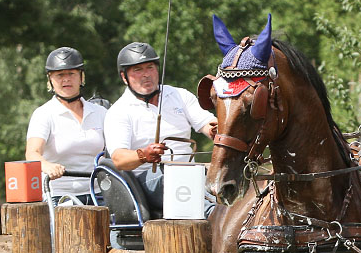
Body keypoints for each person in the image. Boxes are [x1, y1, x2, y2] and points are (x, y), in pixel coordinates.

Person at [104, 41, 217, 218]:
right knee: (178, 181)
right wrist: (143, 155)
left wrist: (217, 130)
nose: (146, 75)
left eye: (150, 67)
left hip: (191, 172)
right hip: (149, 179)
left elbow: (207, 123)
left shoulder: (179, 95)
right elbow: (119, 159)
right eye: (138, 70)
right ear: (124, 77)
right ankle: (215, 214)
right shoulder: (119, 111)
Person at [25, 46, 107, 204]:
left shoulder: (100, 112)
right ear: (50, 79)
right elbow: (32, 153)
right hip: (60, 195)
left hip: (98, 193)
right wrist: (47, 166)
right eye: (60, 75)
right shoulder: (43, 114)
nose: (66, 79)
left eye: (71, 73)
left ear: (81, 77)